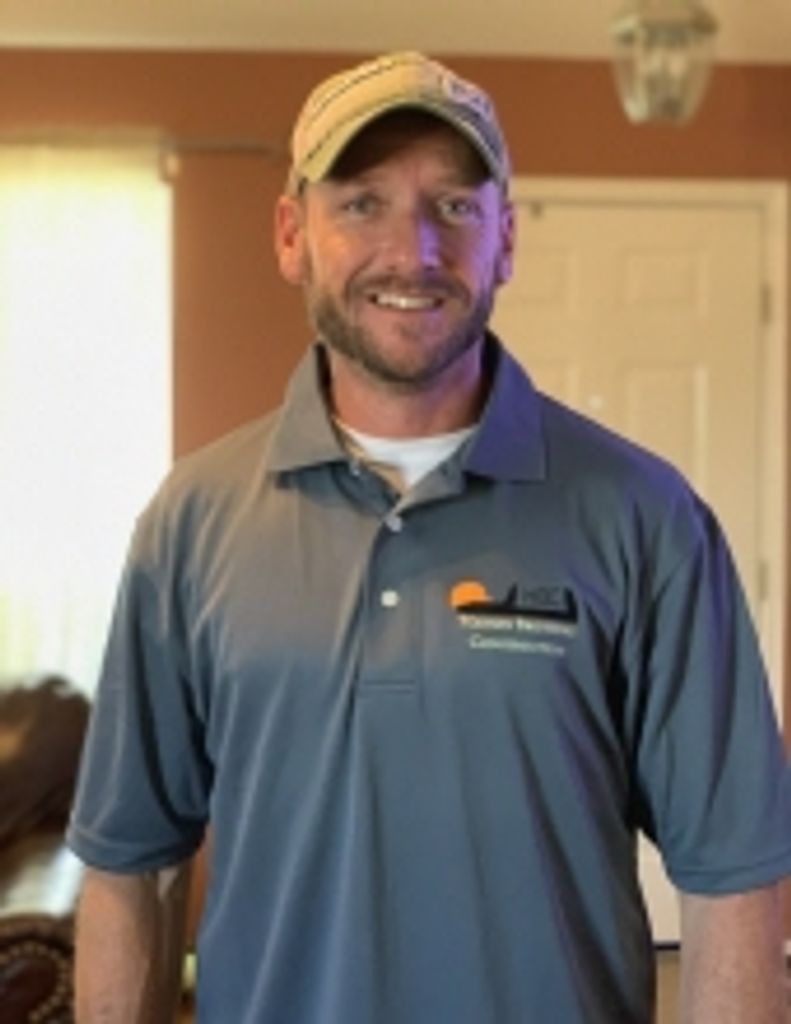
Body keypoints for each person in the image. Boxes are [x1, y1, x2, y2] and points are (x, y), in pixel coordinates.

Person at [68, 51, 791, 1023]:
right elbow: (131, 867)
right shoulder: (191, 521)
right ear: (291, 235)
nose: (411, 250)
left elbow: (732, 879)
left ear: (505, 241)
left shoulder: (646, 518)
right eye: (360, 203)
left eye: (453, 205)